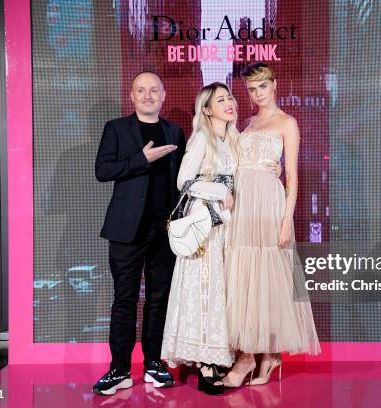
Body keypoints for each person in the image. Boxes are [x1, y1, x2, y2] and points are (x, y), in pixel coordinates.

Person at [223, 62, 321, 388]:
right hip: (243, 207)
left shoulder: (287, 123)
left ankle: (260, 355)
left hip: (269, 203)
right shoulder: (247, 123)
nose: (257, 93)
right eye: (251, 88)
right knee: (247, 279)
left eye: (262, 86)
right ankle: (257, 354)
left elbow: (291, 176)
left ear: (274, 85)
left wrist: (286, 220)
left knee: (269, 279)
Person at [92, 71, 186, 395]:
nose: (147, 95)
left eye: (153, 90)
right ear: (132, 96)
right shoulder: (116, 129)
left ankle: (153, 364)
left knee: (159, 300)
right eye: (141, 90)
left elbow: (182, 180)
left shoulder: (175, 131)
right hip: (125, 231)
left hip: (165, 232)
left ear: (163, 95)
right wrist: (141, 159)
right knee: (124, 300)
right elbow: (102, 170)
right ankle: (118, 369)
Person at [161, 83, 238, 395]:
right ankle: (205, 363)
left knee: (220, 293)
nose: (229, 103)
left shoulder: (233, 139)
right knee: (203, 292)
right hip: (205, 226)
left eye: (230, 97)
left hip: (227, 228)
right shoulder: (202, 138)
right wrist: (219, 191)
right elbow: (184, 181)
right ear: (207, 109)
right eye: (221, 100)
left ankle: (217, 355)